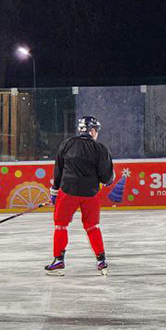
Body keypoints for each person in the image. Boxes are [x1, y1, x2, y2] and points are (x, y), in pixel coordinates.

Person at [44, 115, 115, 276]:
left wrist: (55, 191)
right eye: (96, 129)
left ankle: (58, 259)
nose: (96, 132)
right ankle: (101, 259)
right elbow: (107, 177)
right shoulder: (100, 148)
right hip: (90, 194)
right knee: (92, 226)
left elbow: (58, 170)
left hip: (67, 191)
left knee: (61, 225)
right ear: (91, 130)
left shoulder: (67, 144)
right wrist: (108, 180)